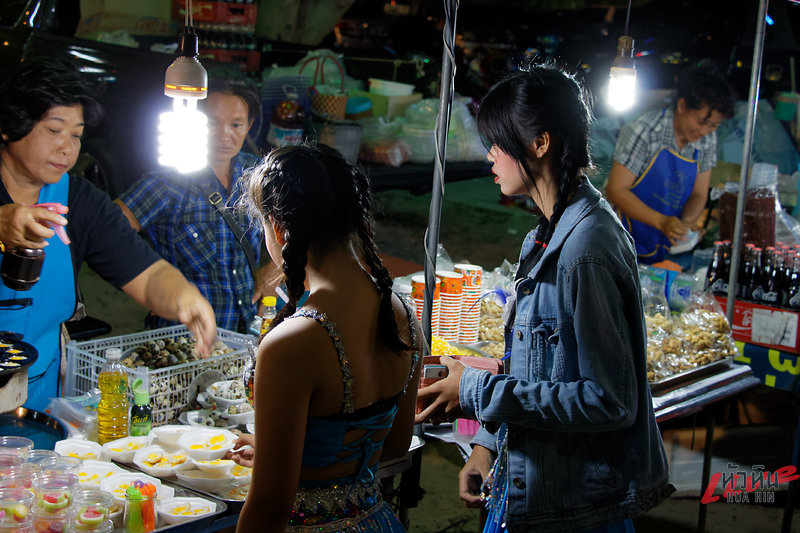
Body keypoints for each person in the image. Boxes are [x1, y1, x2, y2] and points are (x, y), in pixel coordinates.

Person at [415, 63, 673, 532]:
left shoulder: (586, 248)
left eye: (498, 142)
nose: (489, 155)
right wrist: (487, 445)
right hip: (526, 483)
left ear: (540, 143)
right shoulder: (543, 236)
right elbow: (530, 362)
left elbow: (609, 401)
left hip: (575, 509)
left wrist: (472, 389)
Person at [0, 58, 217, 411]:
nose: (67, 148)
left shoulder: (79, 201)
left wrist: (184, 298)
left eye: (76, 135)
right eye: (54, 130)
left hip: (34, 405)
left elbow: (147, 275)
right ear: (9, 127)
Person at [227, 144, 421, 533]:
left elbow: (268, 507)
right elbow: (395, 447)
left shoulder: (293, 342)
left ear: (280, 228)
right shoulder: (402, 315)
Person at [115, 80, 276, 333]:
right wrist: (148, 286)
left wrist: (273, 272)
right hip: (185, 340)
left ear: (250, 125)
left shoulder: (257, 173)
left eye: (235, 124)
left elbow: (305, 222)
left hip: (244, 334)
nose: (224, 134)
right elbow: (106, 231)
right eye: (212, 122)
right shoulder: (168, 182)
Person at [606, 64, 736, 266]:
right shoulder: (644, 131)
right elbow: (616, 190)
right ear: (682, 106)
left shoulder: (707, 140)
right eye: (701, 121)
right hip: (617, 239)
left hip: (660, 243)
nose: (705, 130)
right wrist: (662, 222)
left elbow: (699, 193)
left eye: (713, 125)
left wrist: (686, 224)